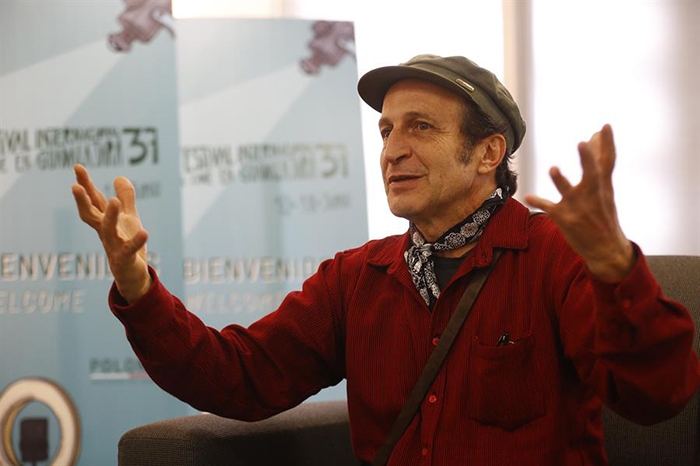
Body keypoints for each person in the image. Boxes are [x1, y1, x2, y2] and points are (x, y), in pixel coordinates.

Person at [72, 55, 699, 465]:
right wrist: (138, 287)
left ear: (487, 154)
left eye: (420, 127)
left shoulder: (556, 256)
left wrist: (616, 267)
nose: (392, 149)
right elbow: (238, 377)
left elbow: (656, 397)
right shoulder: (356, 277)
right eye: (386, 130)